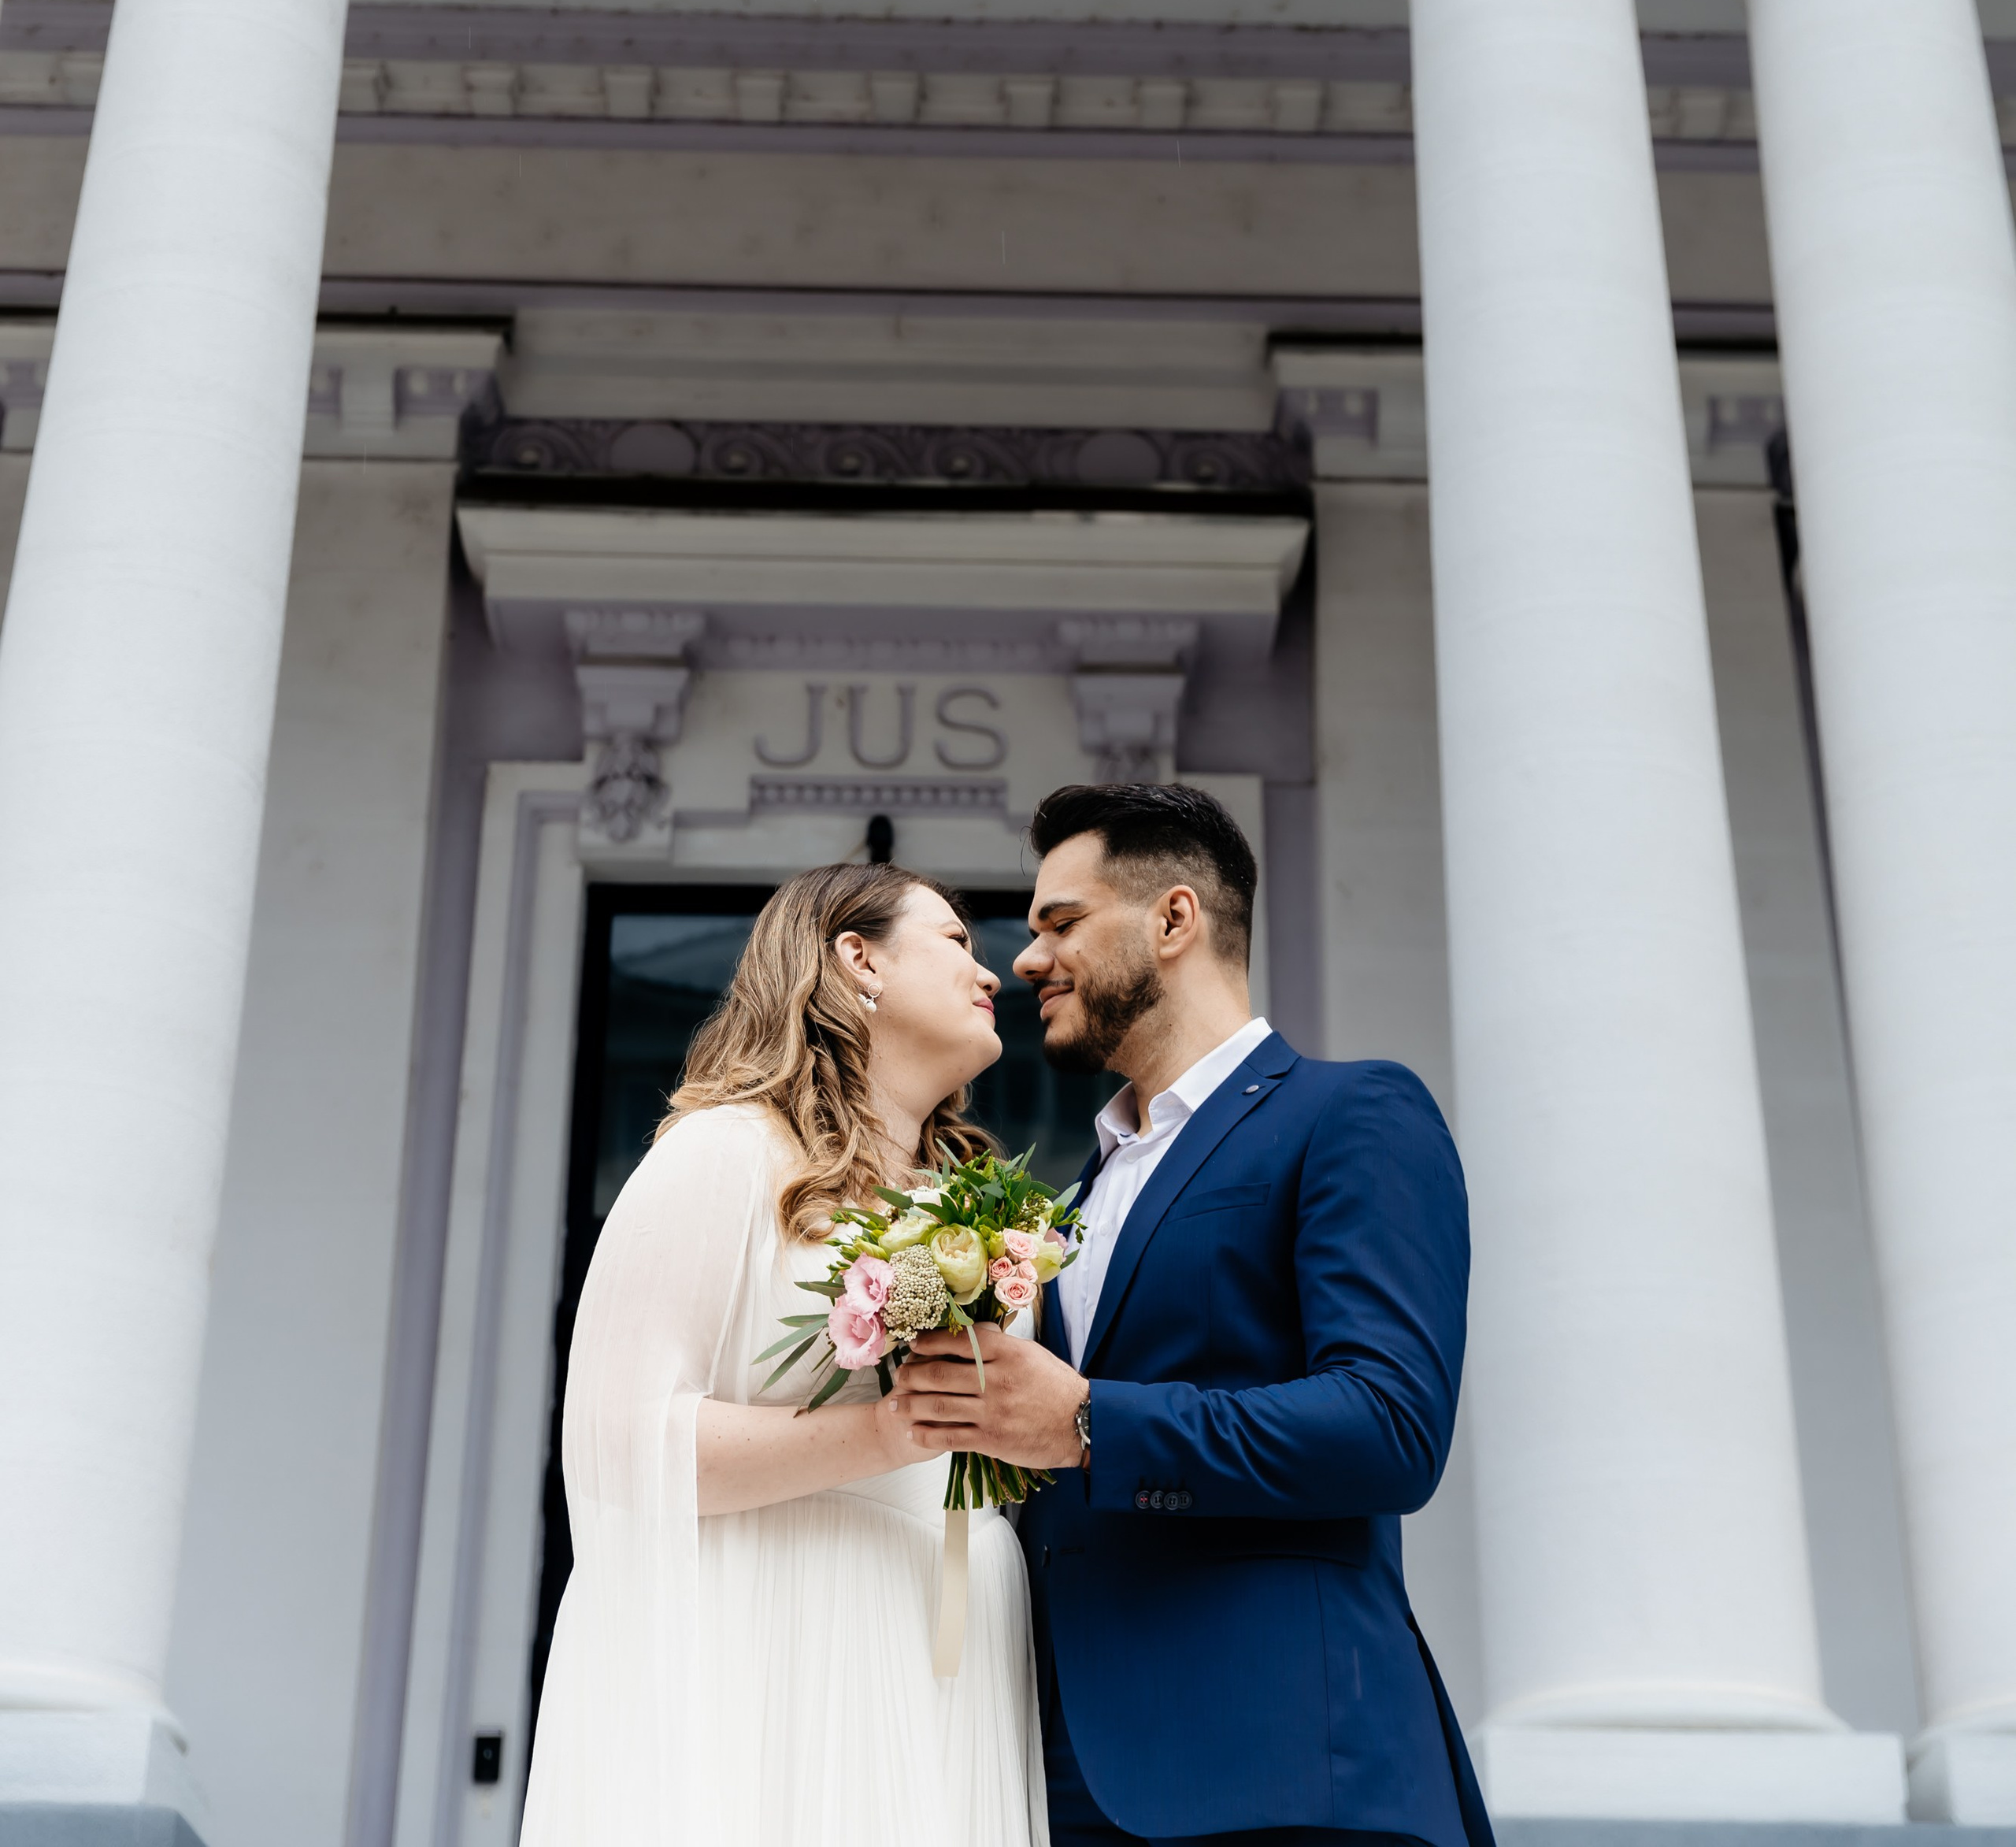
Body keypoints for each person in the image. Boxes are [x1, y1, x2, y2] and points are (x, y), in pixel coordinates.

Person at [891, 782, 1494, 1847]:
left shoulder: (1350, 1113)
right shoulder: (1067, 1203)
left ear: (1174, 920)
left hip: (1286, 1772)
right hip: (1059, 1776)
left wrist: (1089, 1422)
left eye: (1061, 923)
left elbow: (1390, 1425)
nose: (1027, 960)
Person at [521, 862, 1048, 1847]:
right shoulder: (725, 1153)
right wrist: (884, 1433)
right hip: (777, 1642)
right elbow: (620, 1443)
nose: (994, 974)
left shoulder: (974, 1215)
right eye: (955, 943)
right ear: (859, 959)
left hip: (947, 1649)